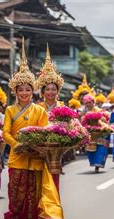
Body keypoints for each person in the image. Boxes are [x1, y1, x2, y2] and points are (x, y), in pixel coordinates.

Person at [3, 38, 63, 219]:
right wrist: (17, 145)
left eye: (28, 89)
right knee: (16, 200)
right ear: (15, 91)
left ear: (32, 90)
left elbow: (44, 132)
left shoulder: (40, 111)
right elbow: (5, 133)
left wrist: (35, 147)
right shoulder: (10, 110)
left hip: (36, 161)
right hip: (17, 159)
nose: (25, 93)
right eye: (21, 89)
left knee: (32, 200)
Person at [36, 44, 65, 187]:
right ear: (42, 92)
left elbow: (69, 126)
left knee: (54, 180)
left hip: (56, 147)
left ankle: (53, 208)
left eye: (54, 89)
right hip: (40, 148)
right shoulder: (37, 108)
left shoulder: (62, 107)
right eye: (47, 89)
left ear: (58, 91)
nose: (51, 92)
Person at [83, 93, 108, 173]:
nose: (88, 104)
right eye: (86, 103)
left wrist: (101, 124)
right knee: (90, 151)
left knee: (100, 149)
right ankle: (94, 163)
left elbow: (104, 120)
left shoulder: (99, 110)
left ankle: (98, 164)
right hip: (89, 134)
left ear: (93, 102)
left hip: (99, 133)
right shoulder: (84, 112)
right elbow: (82, 122)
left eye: (90, 102)